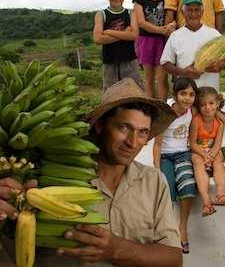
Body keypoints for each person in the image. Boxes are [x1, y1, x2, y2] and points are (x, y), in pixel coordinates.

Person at [35, 78, 182, 266]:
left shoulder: (153, 181)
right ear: (100, 125)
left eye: (142, 132)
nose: (132, 142)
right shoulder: (59, 178)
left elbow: (173, 259)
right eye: (123, 127)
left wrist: (116, 249)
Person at [153, 77, 198, 254]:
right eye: (183, 94)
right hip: (166, 156)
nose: (187, 98)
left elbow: (211, 105)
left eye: (192, 94)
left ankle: (183, 228)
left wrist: (219, 114)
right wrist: (157, 168)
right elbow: (157, 144)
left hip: (183, 154)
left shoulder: (192, 111)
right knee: (167, 189)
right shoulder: (166, 114)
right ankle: (167, 232)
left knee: (187, 185)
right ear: (175, 94)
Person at [160, 0, 225, 91]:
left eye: (197, 10)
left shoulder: (214, 34)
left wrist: (222, 64)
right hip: (186, 95)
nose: (193, 14)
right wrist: (183, 72)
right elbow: (165, 63)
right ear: (182, 12)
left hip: (210, 96)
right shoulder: (175, 36)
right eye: (189, 10)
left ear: (202, 11)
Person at [133, 0, 177, 99]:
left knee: (162, 78)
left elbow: (176, 16)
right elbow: (141, 22)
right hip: (146, 41)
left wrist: (172, 26)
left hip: (163, 42)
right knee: (149, 78)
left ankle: (163, 108)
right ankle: (151, 109)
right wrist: (162, 30)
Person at [93, 0, 142, 90]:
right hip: (110, 62)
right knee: (111, 95)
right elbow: (98, 38)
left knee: (134, 92)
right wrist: (125, 33)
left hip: (129, 61)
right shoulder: (101, 14)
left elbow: (134, 35)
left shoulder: (131, 13)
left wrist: (109, 32)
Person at [189, 87, 225, 217]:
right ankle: (206, 200)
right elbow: (193, 143)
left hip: (213, 151)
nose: (207, 107)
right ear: (198, 107)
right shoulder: (196, 120)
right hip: (198, 151)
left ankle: (221, 194)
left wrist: (211, 155)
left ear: (217, 104)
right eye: (203, 104)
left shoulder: (220, 122)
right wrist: (203, 155)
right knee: (197, 162)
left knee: (219, 161)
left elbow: (218, 144)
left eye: (211, 103)